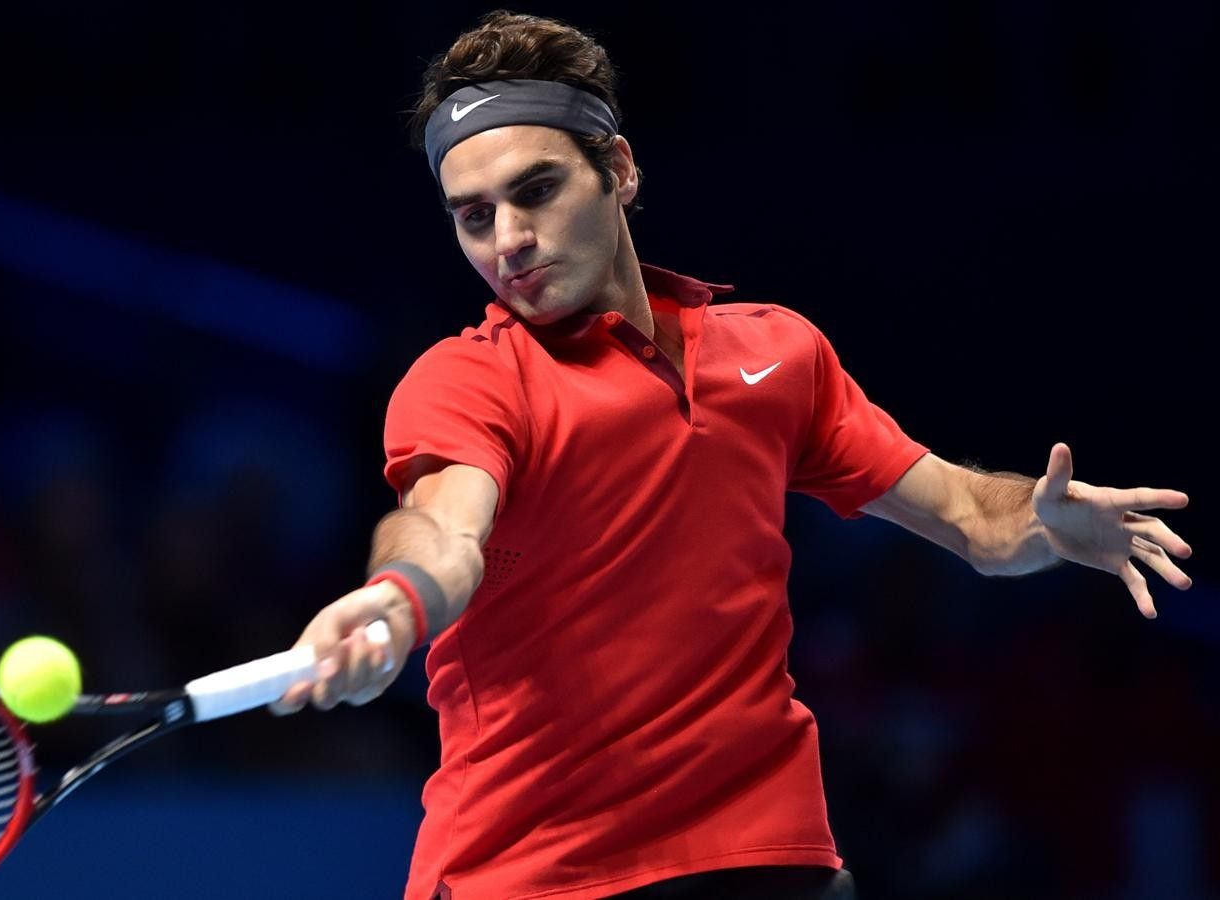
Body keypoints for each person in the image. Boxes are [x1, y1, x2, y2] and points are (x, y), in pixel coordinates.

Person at [269, 10, 1194, 900]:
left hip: (772, 863)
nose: (508, 240)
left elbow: (970, 518)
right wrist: (396, 601)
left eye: (536, 190)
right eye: (475, 216)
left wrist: (1043, 520)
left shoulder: (777, 354)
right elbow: (444, 530)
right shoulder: (467, 380)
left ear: (618, 169)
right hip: (537, 875)